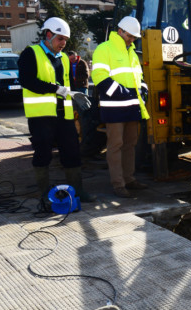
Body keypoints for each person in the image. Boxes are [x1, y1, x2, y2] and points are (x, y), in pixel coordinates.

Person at [18, 17, 95, 209]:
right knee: (42, 153)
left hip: (64, 115)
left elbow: (69, 85)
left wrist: (75, 94)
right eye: (60, 39)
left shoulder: (64, 59)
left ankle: (78, 190)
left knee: (72, 152)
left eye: (66, 41)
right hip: (41, 115)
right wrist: (58, 89)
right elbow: (28, 81)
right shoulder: (30, 53)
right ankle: (44, 194)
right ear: (49, 35)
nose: (63, 44)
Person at [91, 16, 150, 198]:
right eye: (130, 36)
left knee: (130, 145)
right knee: (116, 145)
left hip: (132, 107)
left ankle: (129, 179)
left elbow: (138, 78)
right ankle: (118, 184)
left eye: (134, 37)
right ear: (120, 31)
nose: (132, 40)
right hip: (115, 108)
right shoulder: (104, 49)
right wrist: (122, 92)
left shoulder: (131, 52)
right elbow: (99, 76)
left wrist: (144, 89)